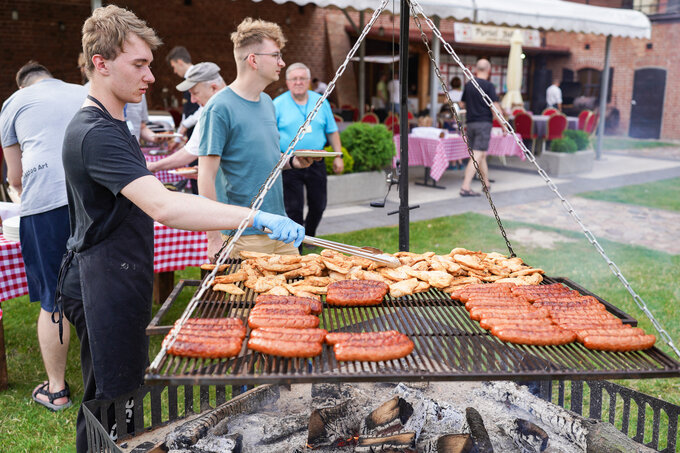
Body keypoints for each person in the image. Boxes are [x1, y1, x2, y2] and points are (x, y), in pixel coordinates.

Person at [59, 7, 305, 452]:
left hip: (121, 276)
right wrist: (253, 217)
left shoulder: (114, 124)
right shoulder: (94, 131)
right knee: (110, 405)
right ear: (101, 62)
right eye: (139, 64)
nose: (151, 76)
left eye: (149, 64)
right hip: (103, 283)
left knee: (122, 397)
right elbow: (164, 207)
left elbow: (157, 193)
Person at [0, 61, 86, 412]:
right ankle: (114, 381)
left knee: (54, 296)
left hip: (46, 207)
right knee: (98, 286)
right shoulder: (83, 91)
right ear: (52, 77)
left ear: (23, 85)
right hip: (93, 199)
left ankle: (56, 390)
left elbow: (15, 177)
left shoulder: (14, 103)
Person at [198, 17, 315, 259]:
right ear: (253, 60)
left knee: (295, 296)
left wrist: (292, 162)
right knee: (250, 299)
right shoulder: (219, 108)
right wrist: (214, 238)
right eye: (276, 56)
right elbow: (205, 176)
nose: (282, 63)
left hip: (279, 228)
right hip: (242, 235)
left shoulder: (267, 103)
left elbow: (265, 158)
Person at [274, 62, 343, 246]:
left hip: (317, 161)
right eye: (294, 79)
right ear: (287, 82)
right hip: (289, 163)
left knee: (319, 205)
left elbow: (332, 130)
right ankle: (296, 244)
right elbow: (269, 135)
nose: (298, 82)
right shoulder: (277, 104)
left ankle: (308, 236)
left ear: (309, 81)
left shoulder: (321, 101)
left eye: (302, 78)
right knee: (293, 207)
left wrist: (338, 156)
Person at [147, 62, 225, 175]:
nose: (192, 100)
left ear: (213, 88)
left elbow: (190, 151)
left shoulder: (212, 113)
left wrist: (154, 166)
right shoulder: (241, 101)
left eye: (195, 93)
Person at [458, 58, 506, 197]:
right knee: (477, 154)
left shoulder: (468, 85)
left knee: (481, 154)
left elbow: (462, 104)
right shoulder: (488, 86)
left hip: (470, 124)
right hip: (483, 124)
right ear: (489, 71)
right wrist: (504, 125)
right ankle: (465, 187)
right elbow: (495, 107)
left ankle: (486, 184)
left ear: (475, 69)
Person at [166, 46, 201, 137]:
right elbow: (186, 112)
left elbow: (205, 107)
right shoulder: (188, 79)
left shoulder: (198, 75)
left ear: (180, 62)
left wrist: (185, 125)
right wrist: (179, 135)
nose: (174, 71)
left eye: (174, 67)